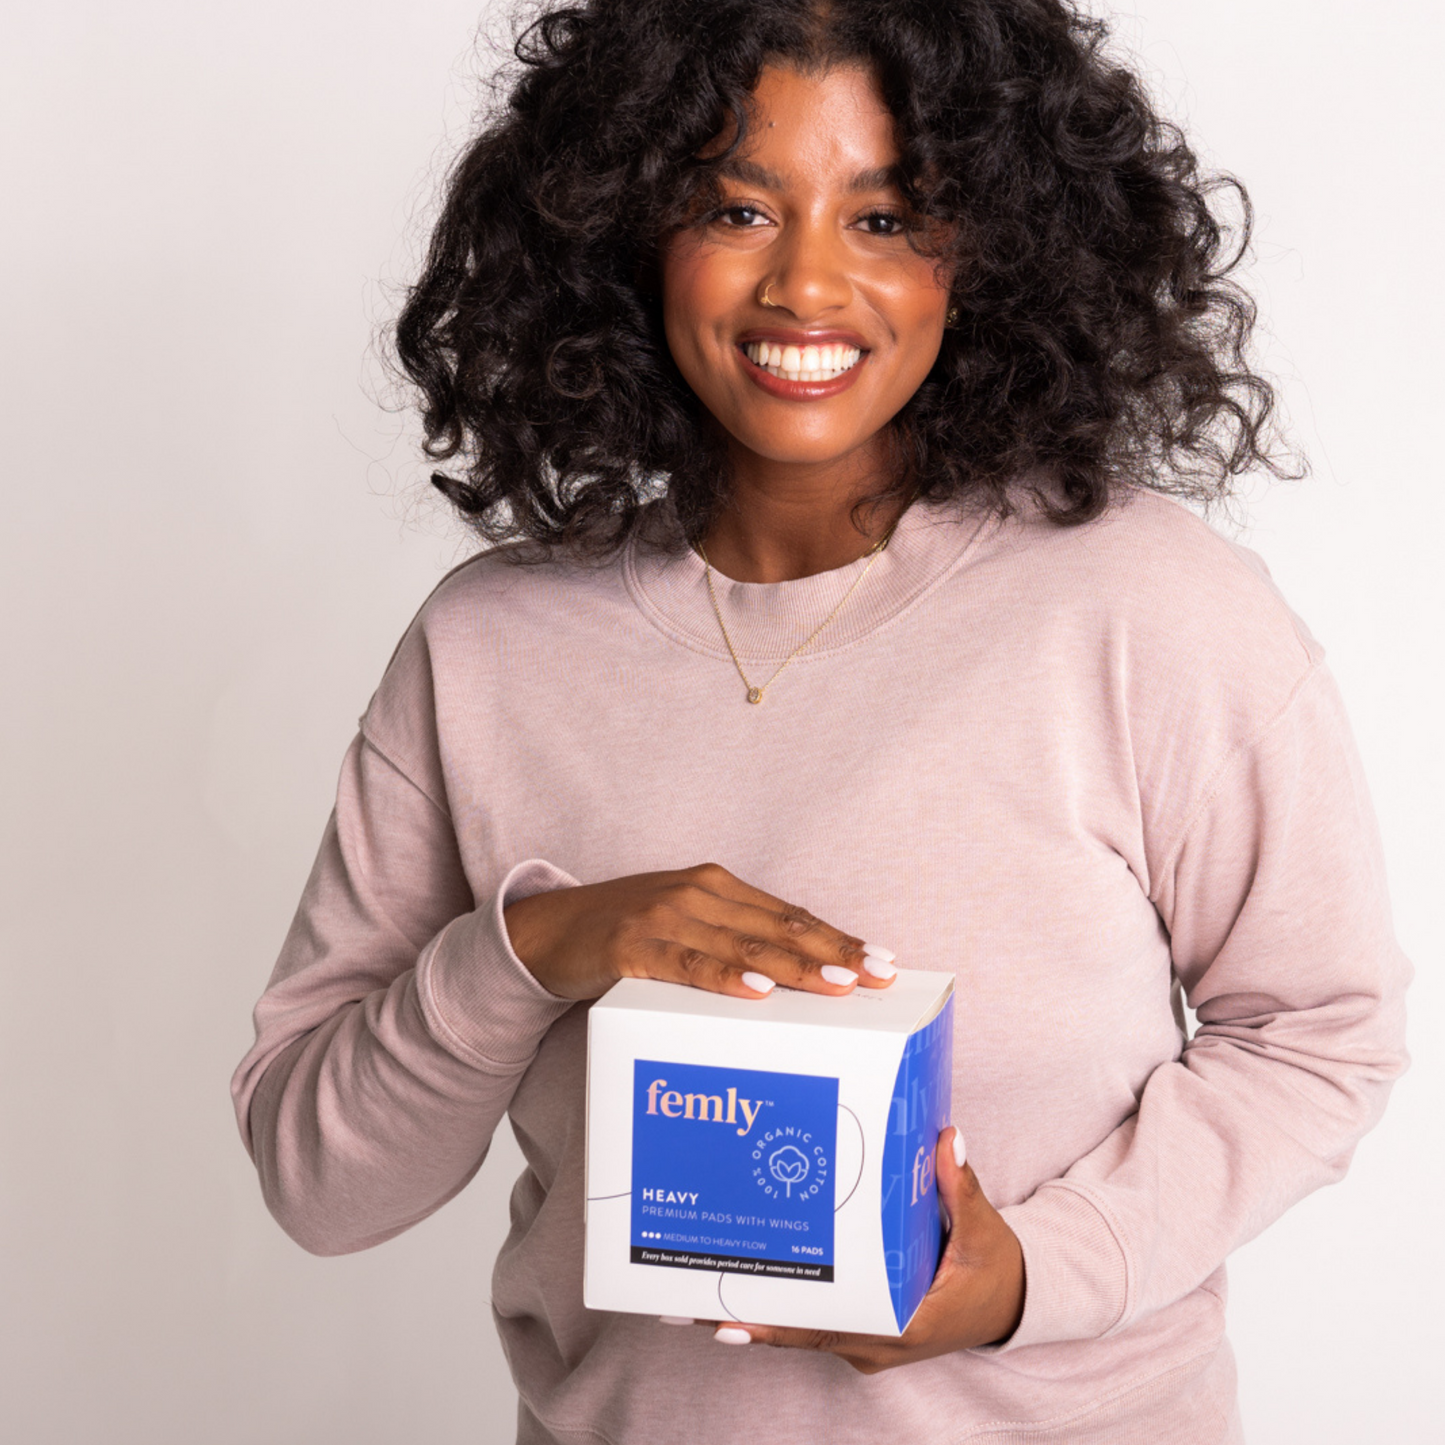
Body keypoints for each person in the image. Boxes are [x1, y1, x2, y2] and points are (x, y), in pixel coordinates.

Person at [231, 1, 1410, 1440]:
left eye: (886, 217)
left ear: (991, 250)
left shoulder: (1150, 611)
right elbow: (321, 1182)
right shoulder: (487, 652)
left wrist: (1034, 1272)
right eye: (737, 205)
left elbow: (1320, 1034)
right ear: (622, 232)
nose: (804, 285)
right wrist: (543, 946)